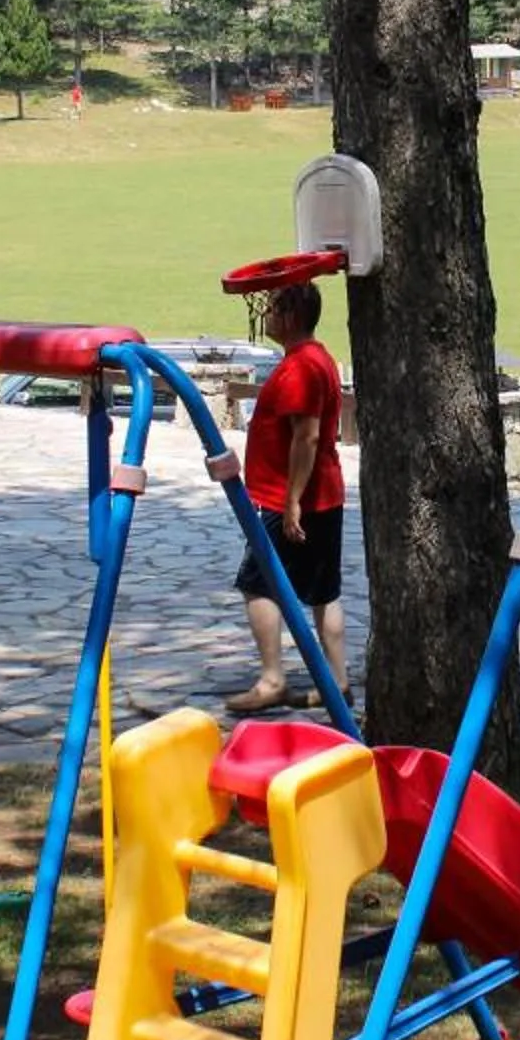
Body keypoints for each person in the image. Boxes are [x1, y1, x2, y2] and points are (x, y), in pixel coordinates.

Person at [226, 281, 350, 716]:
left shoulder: (300, 369)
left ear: (292, 315)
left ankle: (272, 679)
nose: (268, 316)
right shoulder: (319, 359)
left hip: (290, 500)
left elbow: (307, 435)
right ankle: (337, 682)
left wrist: (292, 500)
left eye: (274, 308)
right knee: (322, 591)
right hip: (325, 494)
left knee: (257, 583)